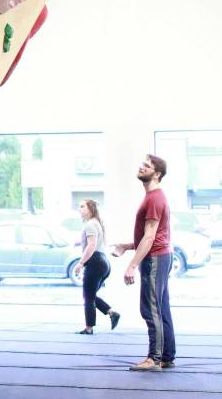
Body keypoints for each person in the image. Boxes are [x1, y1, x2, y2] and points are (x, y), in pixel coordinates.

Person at [112, 154, 176, 371]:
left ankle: (154, 359)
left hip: (155, 258)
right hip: (160, 255)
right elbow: (151, 236)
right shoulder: (154, 197)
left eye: (146, 166)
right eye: (142, 164)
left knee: (150, 309)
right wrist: (127, 246)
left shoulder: (154, 199)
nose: (141, 168)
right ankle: (166, 356)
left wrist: (132, 265)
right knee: (161, 308)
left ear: (157, 174)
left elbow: (150, 238)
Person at [74, 199, 119, 334]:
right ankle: (111, 313)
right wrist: (80, 243)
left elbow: (92, 245)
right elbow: (95, 243)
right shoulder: (96, 223)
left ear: (91, 209)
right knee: (91, 295)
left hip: (95, 262)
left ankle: (89, 328)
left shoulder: (89, 225)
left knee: (88, 297)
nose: (79, 209)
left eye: (82, 206)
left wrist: (81, 263)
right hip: (103, 262)